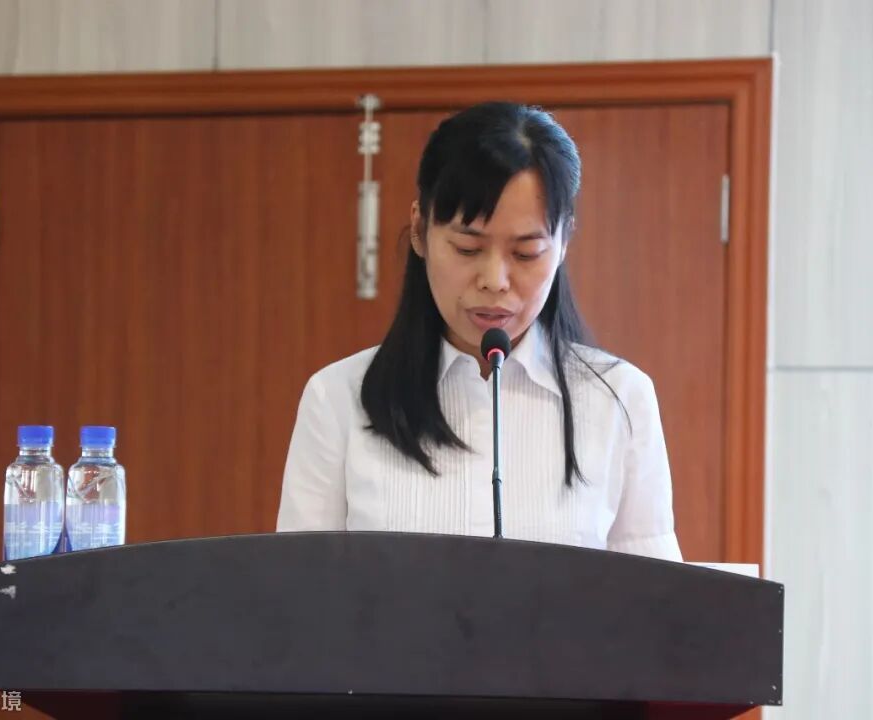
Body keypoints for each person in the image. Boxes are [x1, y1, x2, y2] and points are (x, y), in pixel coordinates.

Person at [276, 102, 681, 561]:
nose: (494, 280)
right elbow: (298, 590)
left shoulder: (619, 399)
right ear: (420, 230)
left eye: (526, 254)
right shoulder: (338, 398)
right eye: (467, 248)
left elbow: (656, 594)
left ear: (564, 241)